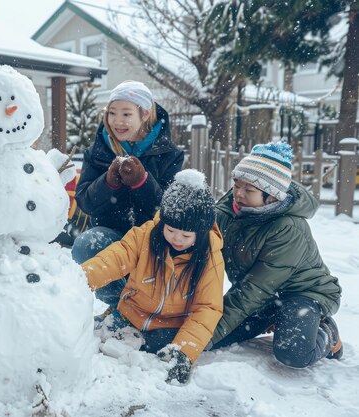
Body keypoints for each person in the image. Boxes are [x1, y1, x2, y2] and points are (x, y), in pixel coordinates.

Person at [82, 169, 224, 384]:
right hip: (132, 312)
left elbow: (208, 308)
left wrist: (184, 352)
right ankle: (115, 322)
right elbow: (113, 259)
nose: (177, 239)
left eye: (186, 235)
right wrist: (79, 280)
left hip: (169, 324)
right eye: (170, 230)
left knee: (159, 346)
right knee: (100, 334)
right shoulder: (146, 236)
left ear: (201, 232)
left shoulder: (210, 257)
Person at [210, 142, 343, 368]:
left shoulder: (287, 228)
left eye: (249, 190)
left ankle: (326, 333)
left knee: (294, 353)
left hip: (303, 293)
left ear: (271, 196)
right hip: (265, 295)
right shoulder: (228, 211)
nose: (238, 193)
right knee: (219, 337)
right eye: (236, 184)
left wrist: (205, 334)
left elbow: (255, 289)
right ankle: (277, 316)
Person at [72, 81, 183, 270]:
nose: (117, 121)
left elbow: (168, 209)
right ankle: (118, 299)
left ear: (145, 113)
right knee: (86, 245)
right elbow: (85, 202)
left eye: (126, 114)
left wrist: (142, 182)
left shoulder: (169, 154)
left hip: (151, 238)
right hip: (110, 235)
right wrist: (108, 182)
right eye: (112, 113)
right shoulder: (98, 151)